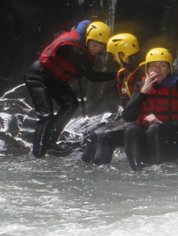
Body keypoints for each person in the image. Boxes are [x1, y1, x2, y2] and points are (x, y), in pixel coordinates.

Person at [24, 20, 116, 157]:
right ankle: (37, 153)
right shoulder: (75, 51)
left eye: (101, 47)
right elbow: (93, 77)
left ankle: (50, 142)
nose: (97, 49)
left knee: (71, 104)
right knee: (45, 114)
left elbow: (87, 23)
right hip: (38, 76)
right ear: (87, 39)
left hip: (55, 79)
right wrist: (118, 75)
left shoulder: (85, 37)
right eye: (94, 45)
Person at [122, 48, 178, 170]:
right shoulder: (140, 87)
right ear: (147, 70)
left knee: (155, 129)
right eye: (153, 66)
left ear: (169, 69)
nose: (157, 70)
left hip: (172, 137)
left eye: (162, 66)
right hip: (148, 138)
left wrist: (162, 123)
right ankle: (137, 171)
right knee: (131, 130)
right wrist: (142, 92)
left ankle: (158, 171)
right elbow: (128, 117)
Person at [81, 33, 144, 165]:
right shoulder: (124, 73)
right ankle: (83, 168)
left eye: (115, 55)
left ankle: (99, 173)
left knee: (104, 136)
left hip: (141, 120)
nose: (114, 59)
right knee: (94, 135)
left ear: (123, 54)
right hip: (129, 118)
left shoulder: (143, 72)